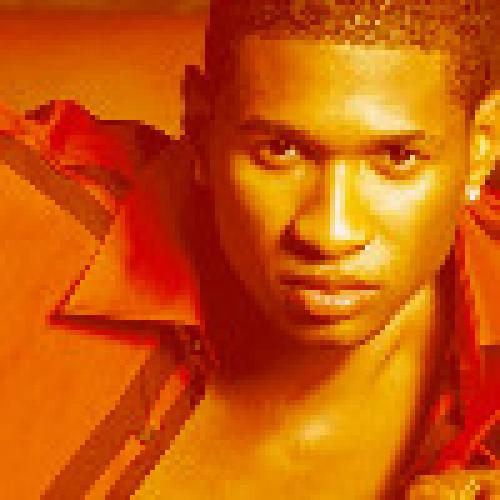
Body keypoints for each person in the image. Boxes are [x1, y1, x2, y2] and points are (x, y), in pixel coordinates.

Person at [1, 0, 498, 498]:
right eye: (279, 150)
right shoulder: (29, 224)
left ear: (482, 147)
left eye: (398, 157)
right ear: (201, 125)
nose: (331, 232)